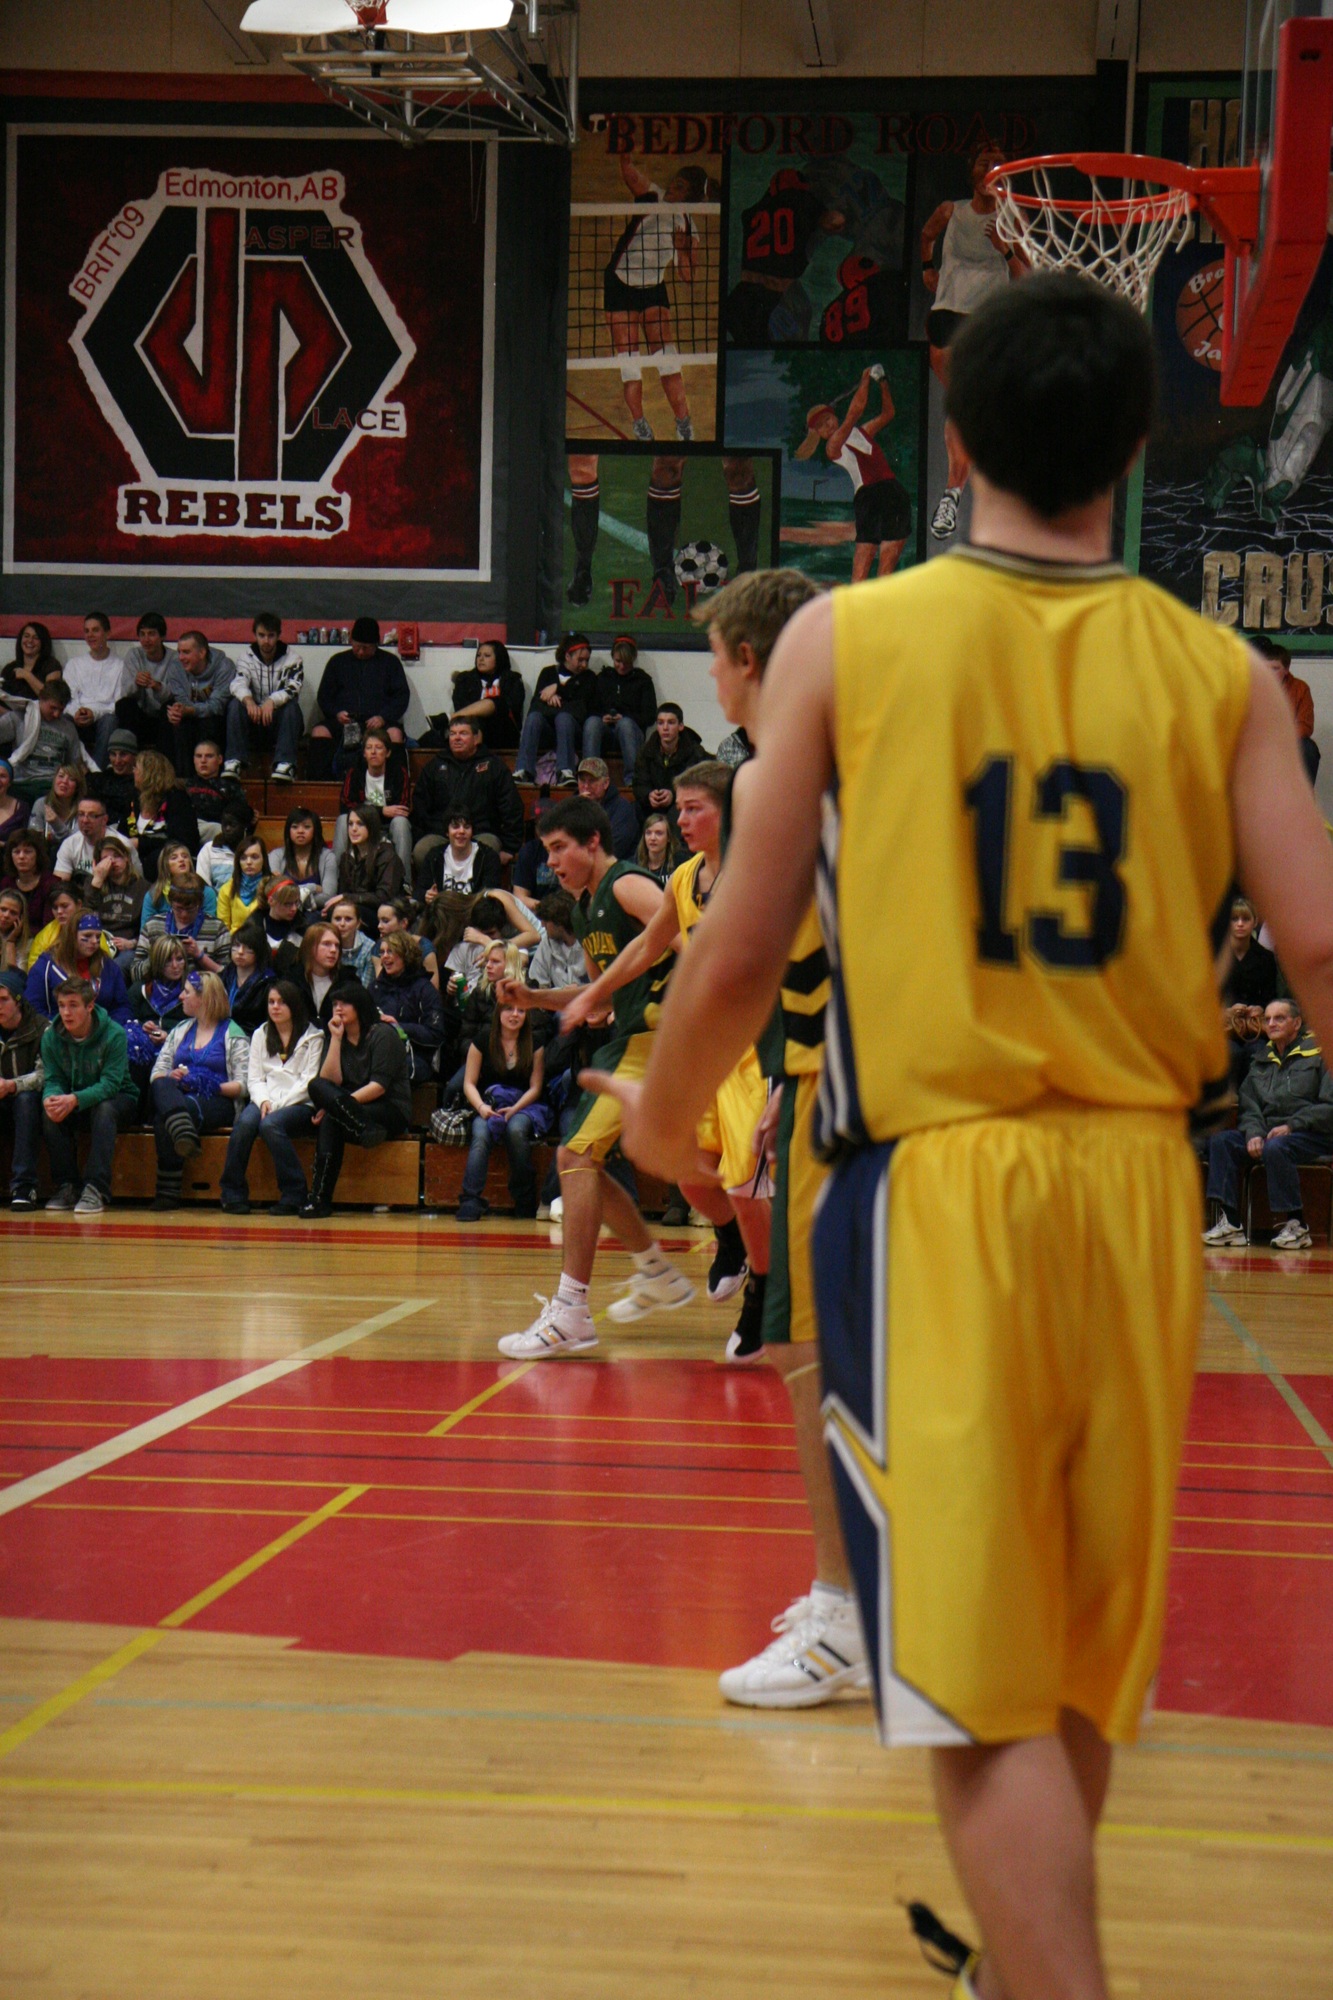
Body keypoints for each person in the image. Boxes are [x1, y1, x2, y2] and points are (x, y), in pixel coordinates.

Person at [593, 274, 1333, 2000]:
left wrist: (670, 1128)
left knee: (967, 1677)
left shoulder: (845, 641)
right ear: (1134, 450)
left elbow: (737, 945)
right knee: (1068, 1653)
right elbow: (1316, 946)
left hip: (933, 1185)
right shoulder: (1228, 677)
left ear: (949, 436)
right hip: (1139, 1189)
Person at [560, 758, 771, 1353]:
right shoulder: (683, 878)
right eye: (678, 809)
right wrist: (594, 993)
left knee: (745, 1182)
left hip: (758, 1044)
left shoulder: (760, 872)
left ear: (728, 813)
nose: (680, 820)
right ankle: (732, 1241)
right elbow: (647, 948)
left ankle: (765, 1292)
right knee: (683, 1166)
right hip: (709, 1044)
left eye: (693, 808)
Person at [493, 796, 695, 1357]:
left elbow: (691, 942)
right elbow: (599, 1000)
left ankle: (572, 1311)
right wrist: (534, 998)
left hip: (660, 1038)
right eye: (547, 850)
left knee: (575, 1156)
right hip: (628, 1039)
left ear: (593, 843)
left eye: (560, 848)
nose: (551, 861)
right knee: (583, 1162)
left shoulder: (626, 885)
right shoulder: (584, 911)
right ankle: (655, 1272)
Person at [921, 145, 1026, 541]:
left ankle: (954, 494)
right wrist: (927, 267)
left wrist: (1006, 250)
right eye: (985, 163)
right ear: (973, 172)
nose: (992, 169)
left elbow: (1028, 276)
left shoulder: (1012, 219)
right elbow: (927, 235)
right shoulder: (952, 211)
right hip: (947, 315)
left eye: (999, 164)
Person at [1203, 998, 1333, 1250]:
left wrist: (1292, 1125)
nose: (1271, 1023)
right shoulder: (1261, 1059)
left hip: (1312, 1134)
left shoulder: (1322, 1055)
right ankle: (1231, 1223)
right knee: (1222, 1141)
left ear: (1297, 1023)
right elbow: (1249, 1103)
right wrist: (1253, 1133)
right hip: (1269, 1133)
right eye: (1268, 1019)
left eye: (1279, 1018)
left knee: (1276, 1147)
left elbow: (1329, 1107)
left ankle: (1297, 1225)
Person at [603, 151, 706, 443]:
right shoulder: (653, 197)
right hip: (620, 284)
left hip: (653, 290)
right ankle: (639, 424)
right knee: (630, 366)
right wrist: (625, 160)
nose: (673, 187)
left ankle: (683, 423)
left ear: (691, 196)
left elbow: (688, 275)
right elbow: (631, 176)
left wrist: (682, 250)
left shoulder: (689, 228)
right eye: (675, 181)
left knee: (668, 361)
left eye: (681, 186)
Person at [303, 981, 412, 1215]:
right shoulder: (338, 1036)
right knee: (316, 1086)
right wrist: (336, 1039)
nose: (338, 1008)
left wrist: (336, 1107)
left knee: (331, 1118)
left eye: (345, 1003)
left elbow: (378, 1087)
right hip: (358, 1115)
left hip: (389, 1108)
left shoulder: (383, 1034)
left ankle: (320, 1198)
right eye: (335, 1004)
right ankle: (320, 1199)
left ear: (360, 1005)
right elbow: (330, 1081)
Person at [795, 366, 912, 580]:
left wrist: (882, 382)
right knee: (860, 575)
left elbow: (888, 414)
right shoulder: (833, 446)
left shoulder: (862, 432)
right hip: (869, 498)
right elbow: (854, 412)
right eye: (821, 426)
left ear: (834, 416)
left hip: (894, 494)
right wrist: (865, 378)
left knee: (885, 576)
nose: (828, 425)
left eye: (828, 419)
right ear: (818, 434)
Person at [219, 980, 324, 1214]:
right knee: (244, 1124)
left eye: (281, 1002)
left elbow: (309, 1082)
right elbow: (255, 1079)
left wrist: (277, 1105)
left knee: (270, 1125)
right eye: (271, 1002)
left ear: (294, 1005)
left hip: (300, 1103)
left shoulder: (314, 1037)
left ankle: (295, 1194)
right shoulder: (261, 1034)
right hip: (264, 1099)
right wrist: (264, 1101)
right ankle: (232, 1193)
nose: (275, 1007)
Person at [147, 971, 249, 1208]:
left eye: (187, 992)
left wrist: (206, 1083)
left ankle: (167, 1191)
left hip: (217, 1099)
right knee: (161, 1085)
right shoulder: (180, 1030)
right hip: (178, 1095)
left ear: (204, 998)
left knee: (164, 1118)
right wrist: (172, 1076)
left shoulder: (233, 1033)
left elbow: (243, 1086)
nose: (180, 996)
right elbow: (157, 1072)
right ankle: (181, 1127)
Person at [40, 976, 137, 1216]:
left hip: (120, 1098)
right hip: (77, 1100)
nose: (66, 1012)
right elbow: (53, 1079)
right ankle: (67, 1185)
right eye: (62, 1005)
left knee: (104, 1109)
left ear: (90, 1006)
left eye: (73, 1005)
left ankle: (96, 1188)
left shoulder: (114, 1034)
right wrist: (51, 1097)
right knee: (50, 1111)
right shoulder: (51, 1036)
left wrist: (74, 1099)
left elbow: (110, 1085)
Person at [457, 1002, 548, 1221]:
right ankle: (470, 1200)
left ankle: (525, 1200)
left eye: (521, 1010)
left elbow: (536, 1088)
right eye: (509, 1009)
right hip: (488, 1104)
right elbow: (468, 1083)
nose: (515, 1014)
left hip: (524, 1105)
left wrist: (515, 1109)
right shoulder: (482, 1040)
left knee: (515, 1130)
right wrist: (482, 1107)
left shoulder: (535, 1043)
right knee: (480, 1133)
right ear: (498, 1013)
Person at [411, 714, 524, 874]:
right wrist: (423, 835)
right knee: (422, 851)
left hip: (481, 833)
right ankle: (437, 890)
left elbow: (511, 807)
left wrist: (510, 847)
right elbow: (420, 806)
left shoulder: (493, 766)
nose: (456, 738)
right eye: (452, 734)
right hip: (442, 834)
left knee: (488, 852)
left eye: (463, 733)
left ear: (476, 738)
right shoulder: (435, 766)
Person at [308, 617, 409, 778]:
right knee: (319, 731)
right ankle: (321, 784)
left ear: (375, 645)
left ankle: (395, 782)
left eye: (366, 648)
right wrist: (336, 713)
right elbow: (324, 696)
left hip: (378, 723)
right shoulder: (337, 662)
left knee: (395, 734)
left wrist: (383, 717)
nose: (361, 652)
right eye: (357, 646)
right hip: (344, 722)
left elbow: (401, 697)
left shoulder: (390, 663)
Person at [225, 613, 305, 781]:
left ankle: (285, 764)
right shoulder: (246, 657)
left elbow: (293, 688)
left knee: (292, 707)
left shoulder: (293, 658)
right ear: (255, 635)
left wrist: (271, 701)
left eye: (271, 636)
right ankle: (234, 761)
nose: (266, 641)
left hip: (280, 723)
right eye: (261, 635)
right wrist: (248, 701)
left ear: (278, 635)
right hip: (254, 721)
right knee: (235, 705)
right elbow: (238, 683)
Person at [514, 633, 597, 787]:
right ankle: (523, 770)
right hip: (548, 731)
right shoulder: (548, 673)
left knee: (564, 718)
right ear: (567, 656)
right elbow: (536, 706)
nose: (584, 665)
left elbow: (581, 711)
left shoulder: (589, 677)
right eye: (580, 660)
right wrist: (564, 703)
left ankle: (565, 771)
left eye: (587, 660)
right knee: (534, 718)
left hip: (572, 731)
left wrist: (557, 690)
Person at [26, 909, 133, 1023]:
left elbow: (122, 1007)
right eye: (88, 935)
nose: (94, 941)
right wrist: (61, 1028)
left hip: (103, 1031)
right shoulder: (46, 966)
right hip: (58, 1030)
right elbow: (32, 1009)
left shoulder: (108, 965)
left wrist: (108, 1028)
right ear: (71, 935)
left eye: (98, 936)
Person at [336, 727, 414, 873]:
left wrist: (372, 811)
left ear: (388, 752)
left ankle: (404, 880)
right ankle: (338, 877)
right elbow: (345, 805)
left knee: (401, 822)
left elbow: (402, 808)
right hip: (361, 824)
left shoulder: (399, 772)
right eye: (369, 748)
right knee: (342, 820)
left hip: (388, 825)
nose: (373, 752)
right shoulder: (355, 772)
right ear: (364, 753)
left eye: (378, 747)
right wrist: (381, 810)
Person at [0, 970, 46, 1209]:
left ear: (18, 1000)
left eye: (3, 999)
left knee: (26, 1101)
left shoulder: (41, 1029)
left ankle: (24, 1186)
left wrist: (12, 1085)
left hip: (32, 1102)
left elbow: (45, 1075)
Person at [372, 928, 444, 1082]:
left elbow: (435, 1034)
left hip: (416, 1056)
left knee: (389, 1067)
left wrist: (398, 1027)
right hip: (379, 1051)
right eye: (382, 952)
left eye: (390, 951)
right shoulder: (375, 988)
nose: (385, 956)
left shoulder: (425, 989)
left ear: (405, 954)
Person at [159, 631, 236, 774]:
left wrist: (191, 710)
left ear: (202, 653)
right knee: (169, 715)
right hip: (189, 715)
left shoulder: (224, 666)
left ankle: (211, 777)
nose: (181, 657)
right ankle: (179, 778)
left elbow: (217, 705)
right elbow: (180, 699)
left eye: (186, 652)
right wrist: (176, 711)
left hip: (215, 717)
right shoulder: (175, 667)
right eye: (179, 652)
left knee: (209, 723)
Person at [61, 611, 130, 769]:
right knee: (63, 719)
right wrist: (77, 712)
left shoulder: (121, 666)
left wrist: (95, 713)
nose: (90, 635)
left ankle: (97, 773)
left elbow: (119, 703)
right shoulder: (74, 664)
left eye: (95, 630)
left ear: (107, 633)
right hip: (77, 718)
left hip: (104, 719)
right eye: (87, 631)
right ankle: (68, 771)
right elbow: (67, 698)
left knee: (110, 721)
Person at [132, 879, 230, 984]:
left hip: (201, 989)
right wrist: (159, 956)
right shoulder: (153, 926)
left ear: (199, 904)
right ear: (170, 903)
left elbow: (229, 978)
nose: (184, 915)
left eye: (190, 909)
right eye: (178, 909)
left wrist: (199, 955)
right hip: (159, 988)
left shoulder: (217, 928)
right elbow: (135, 973)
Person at [586, 635, 658, 770]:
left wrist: (625, 717)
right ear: (612, 657)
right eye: (618, 661)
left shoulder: (643, 680)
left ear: (633, 659)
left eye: (626, 662)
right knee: (592, 722)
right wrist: (602, 717)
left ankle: (632, 777)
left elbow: (650, 716)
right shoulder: (603, 678)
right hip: (605, 731)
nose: (622, 666)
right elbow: (590, 708)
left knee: (625, 724)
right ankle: (590, 773)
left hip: (631, 732)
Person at [1253, 635, 1320, 782]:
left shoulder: (1300, 688)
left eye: (1275, 668)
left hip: (1288, 740)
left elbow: (1305, 726)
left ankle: (1302, 794)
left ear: (1286, 670)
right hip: (1257, 741)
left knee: (1308, 748)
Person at [125, 749, 200, 878]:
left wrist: (141, 844)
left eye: (136, 768)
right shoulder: (135, 799)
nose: (133, 772)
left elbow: (183, 842)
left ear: (149, 773)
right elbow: (123, 832)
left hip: (163, 867)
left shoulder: (177, 799)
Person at [631, 703, 706, 823]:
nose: (665, 728)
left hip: (681, 804)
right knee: (633, 809)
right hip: (652, 805)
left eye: (671, 722)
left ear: (680, 726)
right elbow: (639, 782)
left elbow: (696, 785)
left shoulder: (695, 752)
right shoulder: (646, 751)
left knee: (677, 812)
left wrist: (674, 795)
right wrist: (648, 795)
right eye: (660, 723)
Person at [333, 804, 404, 930]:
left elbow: (384, 897)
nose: (353, 829)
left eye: (360, 824)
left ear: (371, 826)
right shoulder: (346, 857)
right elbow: (342, 891)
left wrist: (349, 898)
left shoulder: (388, 856)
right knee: (329, 913)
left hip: (381, 913)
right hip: (355, 908)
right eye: (350, 824)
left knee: (352, 916)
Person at [13, 686, 87, 806]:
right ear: (41, 699)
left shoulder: (69, 728)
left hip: (52, 785)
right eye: (53, 708)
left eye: (61, 710)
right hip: (21, 782)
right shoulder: (19, 718)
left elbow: (74, 764)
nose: (56, 714)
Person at [447, 640, 527, 750]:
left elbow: (511, 707)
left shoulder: (512, 680)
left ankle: (448, 718)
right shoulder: (465, 679)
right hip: (473, 727)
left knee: (496, 703)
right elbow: (461, 707)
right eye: (478, 655)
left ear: (499, 658)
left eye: (487, 656)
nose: (481, 659)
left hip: (503, 730)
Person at [419, 807, 503, 904]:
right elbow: (419, 891)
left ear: (472, 831)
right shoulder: (434, 857)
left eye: (467, 827)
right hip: (442, 911)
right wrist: (426, 895)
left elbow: (491, 896)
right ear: (447, 832)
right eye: (456, 827)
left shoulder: (488, 857)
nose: (461, 831)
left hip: (475, 911)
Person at [84, 834, 142, 972]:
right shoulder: (92, 884)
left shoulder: (142, 887)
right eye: (106, 858)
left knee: (115, 967)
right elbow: (84, 916)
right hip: (97, 943)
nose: (113, 861)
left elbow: (149, 928)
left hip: (127, 947)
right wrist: (97, 881)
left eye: (117, 856)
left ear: (127, 858)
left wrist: (133, 943)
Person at [117, 612, 172, 746]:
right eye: (142, 634)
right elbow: (125, 693)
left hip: (163, 717)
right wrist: (136, 683)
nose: (146, 640)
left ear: (162, 636)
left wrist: (158, 687)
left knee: (171, 707)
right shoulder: (134, 655)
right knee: (124, 705)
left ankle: (164, 756)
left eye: (151, 634)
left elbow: (177, 695)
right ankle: (129, 752)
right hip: (141, 717)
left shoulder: (175, 659)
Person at [269, 806, 338, 914]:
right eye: (295, 827)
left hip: (316, 913)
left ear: (315, 830)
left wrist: (290, 899)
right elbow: (274, 892)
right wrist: (312, 888)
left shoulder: (328, 857)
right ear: (288, 830)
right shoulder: (275, 856)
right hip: (282, 913)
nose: (300, 831)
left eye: (306, 827)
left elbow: (329, 897)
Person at [1220, 895, 1277, 1010]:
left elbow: (1271, 999)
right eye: (1235, 919)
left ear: (1255, 922)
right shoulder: (1218, 956)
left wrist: (1257, 1010)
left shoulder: (1266, 958)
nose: (1240, 924)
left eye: (1246, 919)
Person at [142, 842, 218, 926]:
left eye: (185, 856)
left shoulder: (206, 892)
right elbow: (146, 928)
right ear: (165, 865)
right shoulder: (153, 895)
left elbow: (210, 926)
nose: (181, 860)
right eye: (174, 858)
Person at [575, 758, 639, 858]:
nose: (586, 786)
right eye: (582, 780)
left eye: (592, 781)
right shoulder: (571, 807)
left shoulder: (622, 809)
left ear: (606, 783)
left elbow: (613, 849)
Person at [2, 827, 59, 933]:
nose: (21, 857)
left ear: (38, 855)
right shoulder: (6, 883)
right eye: (16, 852)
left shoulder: (51, 884)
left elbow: (50, 927)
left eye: (27, 852)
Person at [222, 921, 274, 1035]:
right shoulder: (224, 975)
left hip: (252, 1037)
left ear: (259, 951)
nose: (240, 952)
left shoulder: (268, 984)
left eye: (248, 947)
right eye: (236, 946)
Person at [185, 739, 246, 835]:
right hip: (189, 828)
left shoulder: (231, 787)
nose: (203, 761)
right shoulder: (184, 785)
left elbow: (241, 815)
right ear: (193, 760)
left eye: (209, 756)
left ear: (220, 759)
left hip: (218, 830)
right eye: (199, 756)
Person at [287, 922, 343, 1024]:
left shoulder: (347, 981)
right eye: (326, 944)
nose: (333, 950)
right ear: (310, 947)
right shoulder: (291, 980)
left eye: (337, 945)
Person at [216, 834, 272, 936]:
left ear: (264, 859)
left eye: (254, 857)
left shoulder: (273, 886)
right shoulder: (226, 889)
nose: (249, 862)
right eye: (243, 858)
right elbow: (223, 929)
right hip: (235, 942)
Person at [85, 728, 139, 830]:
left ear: (134, 756)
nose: (117, 761)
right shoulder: (99, 779)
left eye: (123, 754)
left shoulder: (138, 783)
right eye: (113, 754)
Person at [52, 795, 110, 886]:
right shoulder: (69, 844)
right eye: (81, 814)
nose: (85, 820)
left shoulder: (121, 844)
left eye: (92, 815)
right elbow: (59, 885)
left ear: (104, 820)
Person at [27, 761, 84, 848]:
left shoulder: (83, 809)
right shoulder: (41, 804)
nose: (64, 781)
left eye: (71, 779)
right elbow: (32, 839)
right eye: (61, 776)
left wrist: (56, 824)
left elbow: (76, 844)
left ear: (78, 786)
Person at [327, 898, 376, 988]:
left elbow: (365, 988)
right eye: (337, 919)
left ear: (358, 923)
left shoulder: (370, 948)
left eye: (348, 919)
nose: (342, 924)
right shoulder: (322, 945)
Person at [2, 621, 57, 701]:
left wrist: (27, 676)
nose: (30, 640)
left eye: (35, 638)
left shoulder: (51, 666)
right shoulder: (10, 668)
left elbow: (52, 698)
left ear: (43, 642)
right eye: (26, 636)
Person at [634, 811, 683, 887]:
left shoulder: (680, 863)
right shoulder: (634, 865)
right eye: (648, 833)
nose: (652, 838)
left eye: (659, 833)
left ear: (668, 837)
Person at [0, 890, 31, 977]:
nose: (6, 915)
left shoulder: (27, 944)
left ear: (21, 918)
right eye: (3, 909)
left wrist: (10, 942)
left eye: (13, 913)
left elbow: (16, 978)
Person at [0, 759, 25, 843]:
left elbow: (26, 842)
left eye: (2, 776)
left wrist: (4, 845)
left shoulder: (21, 808)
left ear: (10, 782)